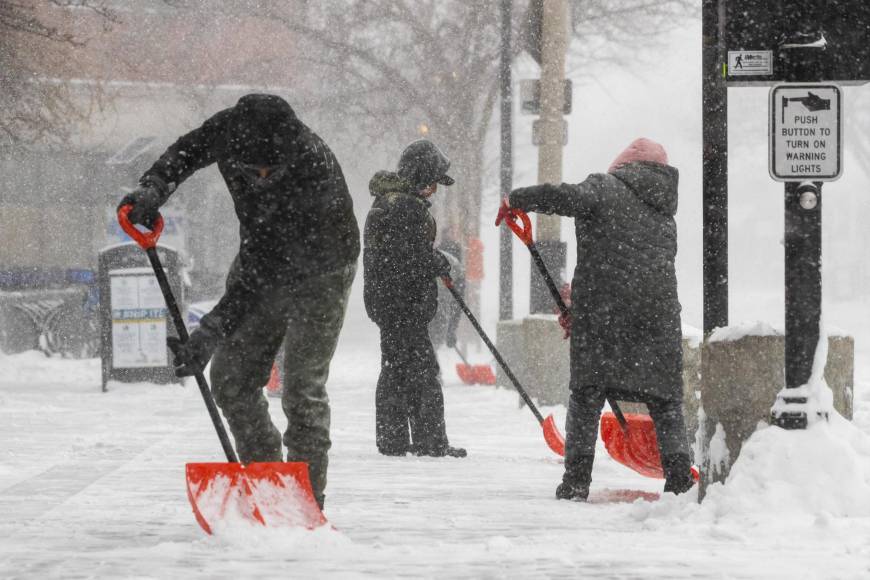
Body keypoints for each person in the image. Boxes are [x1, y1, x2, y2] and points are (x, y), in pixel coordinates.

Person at [117, 94, 359, 509]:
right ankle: (269, 484)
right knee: (231, 381)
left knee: (302, 390)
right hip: (260, 256)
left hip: (323, 265)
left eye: (272, 169)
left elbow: (267, 269)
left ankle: (305, 504)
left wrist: (210, 329)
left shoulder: (312, 167)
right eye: (253, 169)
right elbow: (188, 150)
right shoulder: (229, 131)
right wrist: (155, 187)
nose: (262, 176)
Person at [502, 137, 695, 500]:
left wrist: (520, 198)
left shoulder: (605, 188)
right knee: (666, 402)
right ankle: (679, 479)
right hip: (658, 317)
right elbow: (637, 268)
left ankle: (576, 481)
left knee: (587, 395)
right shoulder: (665, 213)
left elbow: (564, 198)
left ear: (623, 164)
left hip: (604, 317)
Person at [363, 140, 467, 458]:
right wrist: (438, 262)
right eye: (433, 181)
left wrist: (431, 261)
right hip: (403, 303)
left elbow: (401, 254)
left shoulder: (390, 202)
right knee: (421, 371)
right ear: (421, 175)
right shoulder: (404, 207)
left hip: (389, 302)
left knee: (397, 368)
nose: (435, 189)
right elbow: (408, 257)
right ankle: (429, 441)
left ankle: (394, 439)